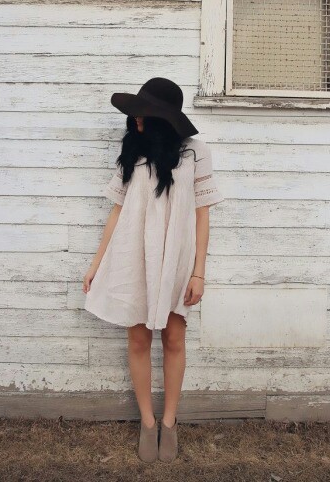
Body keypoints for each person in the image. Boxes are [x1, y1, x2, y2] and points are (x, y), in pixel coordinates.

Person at [82, 77, 224, 463]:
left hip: (176, 257)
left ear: (163, 118)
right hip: (134, 254)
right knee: (138, 340)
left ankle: (170, 422)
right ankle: (147, 422)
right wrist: (96, 264)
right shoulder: (133, 150)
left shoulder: (195, 153)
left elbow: (202, 216)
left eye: (143, 113)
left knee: (174, 338)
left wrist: (199, 272)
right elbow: (117, 211)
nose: (136, 119)